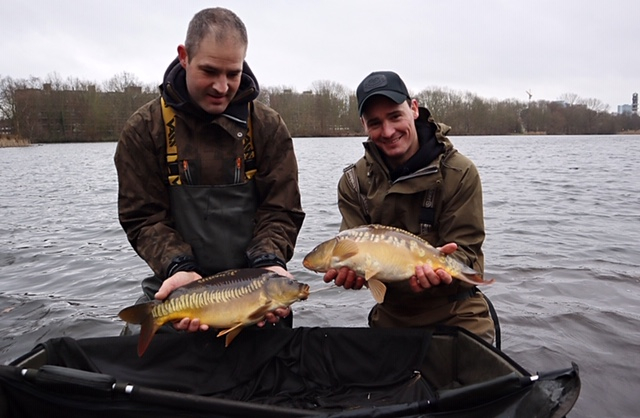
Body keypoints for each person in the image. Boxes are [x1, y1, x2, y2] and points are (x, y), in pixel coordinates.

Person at [114, 7, 305, 332]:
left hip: (254, 293)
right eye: (209, 71)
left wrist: (267, 263)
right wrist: (178, 267)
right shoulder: (144, 130)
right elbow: (144, 218)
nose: (221, 86)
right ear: (184, 56)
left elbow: (281, 211)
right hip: (180, 286)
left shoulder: (267, 127)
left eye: (233, 73)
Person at [323, 71, 497, 344]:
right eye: (375, 123)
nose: (388, 131)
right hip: (392, 316)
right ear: (363, 125)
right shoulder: (353, 183)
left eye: (395, 116)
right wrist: (354, 275)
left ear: (414, 109)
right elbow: (354, 252)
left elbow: (469, 263)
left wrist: (441, 271)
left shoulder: (459, 172)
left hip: (456, 312)